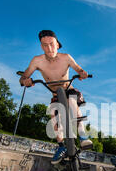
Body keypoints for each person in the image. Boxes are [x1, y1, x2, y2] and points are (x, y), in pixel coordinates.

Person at [19, 30, 93, 164]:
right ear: (41, 46)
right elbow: (23, 77)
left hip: (68, 90)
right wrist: (25, 81)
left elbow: (79, 69)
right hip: (55, 95)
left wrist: (82, 74)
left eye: (52, 44)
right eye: (45, 45)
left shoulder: (66, 58)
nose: (49, 48)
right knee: (53, 115)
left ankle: (83, 137)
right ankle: (61, 147)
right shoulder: (37, 61)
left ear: (57, 45)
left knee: (72, 103)